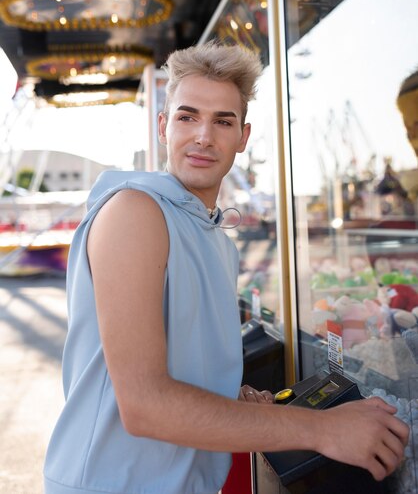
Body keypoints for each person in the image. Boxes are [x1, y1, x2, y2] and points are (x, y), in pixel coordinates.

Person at [44, 42, 409, 494]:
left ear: (243, 136)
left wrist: (222, 394)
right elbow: (143, 406)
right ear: (163, 126)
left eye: (222, 121)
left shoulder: (214, 235)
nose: (203, 135)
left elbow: (172, 369)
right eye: (187, 116)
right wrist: (324, 429)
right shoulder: (134, 212)